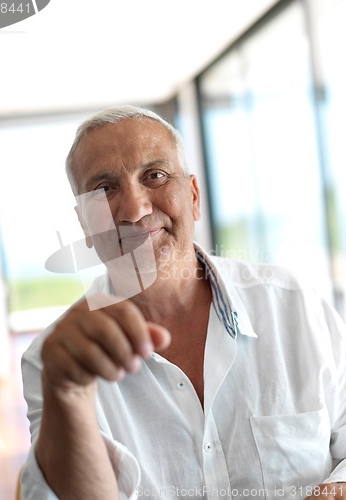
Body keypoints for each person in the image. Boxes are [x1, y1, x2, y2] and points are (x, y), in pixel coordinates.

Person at [21, 106, 346, 500]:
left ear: (192, 196)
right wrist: (67, 392)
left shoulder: (293, 306)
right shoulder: (52, 364)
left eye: (154, 176)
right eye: (105, 188)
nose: (135, 208)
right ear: (85, 225)